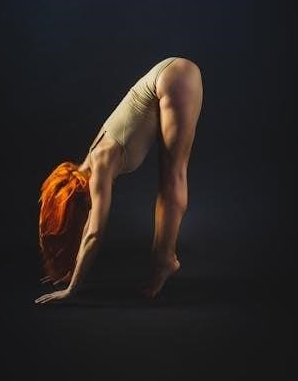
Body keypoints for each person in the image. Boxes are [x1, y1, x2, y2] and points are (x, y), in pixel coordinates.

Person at [35, 56, 203, 304]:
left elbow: (94, 233)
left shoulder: (99, 168)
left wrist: (72, 289)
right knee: (169, 174)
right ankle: (163, 259)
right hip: (171, 74)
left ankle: (165, 260)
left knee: (173, 175)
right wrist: (70, 270)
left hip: (176, 80)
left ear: (81, 199)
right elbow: (89, 225)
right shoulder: (89, 161)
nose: (88, 214)